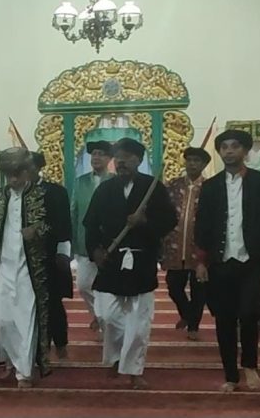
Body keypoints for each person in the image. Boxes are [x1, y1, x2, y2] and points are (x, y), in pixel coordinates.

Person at [83, 138, 177, 390]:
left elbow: (170, 220)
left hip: (141, 260)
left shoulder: (153, 188)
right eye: (118, 158)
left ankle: (134, 370)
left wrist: (145, 222)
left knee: (138, 322)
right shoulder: (106, 189)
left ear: (139, 160)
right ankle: (115, 357)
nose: (121, 162)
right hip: (111, 260)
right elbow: (90, 224)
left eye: (127, 157)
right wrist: (95, 250)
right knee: (106, 315)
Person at [194, 129, 260, 393]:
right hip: (220, 262)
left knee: (250, 313)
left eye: (235, 146)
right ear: (219, 152)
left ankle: (250, 365)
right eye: (224, 147)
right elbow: (202, 226)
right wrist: (201, 261)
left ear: (245, 150)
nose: (229, 151)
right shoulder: (210, 187)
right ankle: (231, 375)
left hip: (251, 261)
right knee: (224, 319)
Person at [0, 148, 53, 388]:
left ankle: (24, 372)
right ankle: (10, 360)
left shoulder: (43, 195)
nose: (13, 179)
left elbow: (59, 228)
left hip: (31, 269)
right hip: (3, 266)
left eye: (17, 173)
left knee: (25, 321)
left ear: (27, 171)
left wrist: (38, 230)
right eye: (8, 174)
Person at [161, 147, 210, 342]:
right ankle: (187, 313)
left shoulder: (209, 187)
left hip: (199, 247)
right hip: (174, 245)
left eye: (197, 161)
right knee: (174, 287)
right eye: (189, 160)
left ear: (204, 164)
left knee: (199, 290)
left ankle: (193, 325)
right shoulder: (173, 185)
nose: (192, 164)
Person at [29, 152, 73, 359]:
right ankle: (36, 346)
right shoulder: (14, 194)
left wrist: (63, 253)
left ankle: (60, 342)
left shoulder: (56, 192)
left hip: (50, 256)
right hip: (23, 258)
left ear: (38, 168)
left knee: (53, 302)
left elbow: (64, 225)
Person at [71, 141, 114, 336]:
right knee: (83, 286)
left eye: (101, 154)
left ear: (109, 159)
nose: (96, 157)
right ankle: (98, 315)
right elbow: (74, 211)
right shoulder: (80, 182)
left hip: (109, 244)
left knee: (108, 287)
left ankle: (107, 324)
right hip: (85, 242)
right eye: (94, 154)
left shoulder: (115, 181)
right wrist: (72, 240)